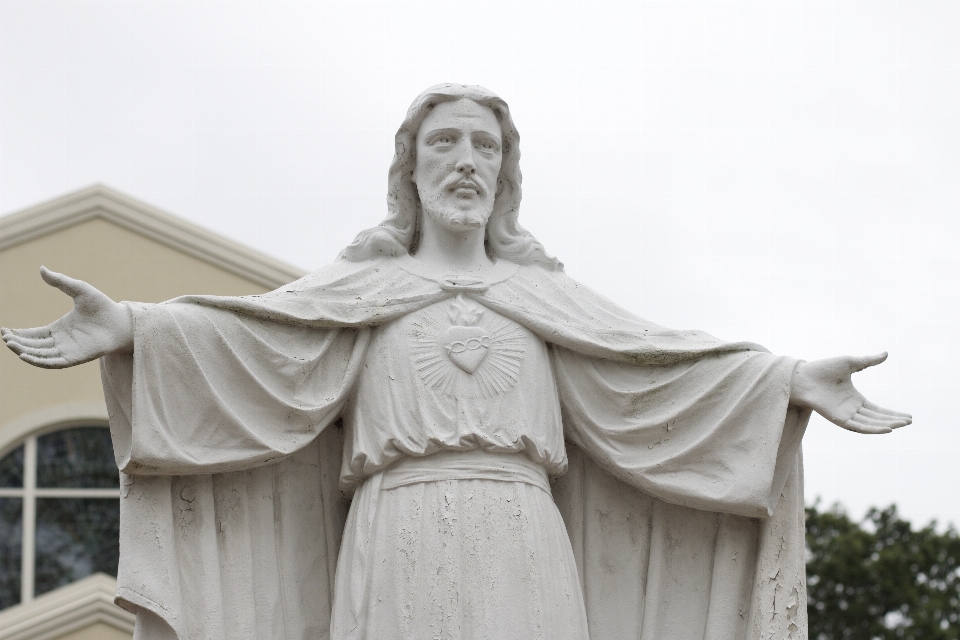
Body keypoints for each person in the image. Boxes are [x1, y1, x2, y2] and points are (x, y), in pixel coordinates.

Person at [2, 84, 910, 640]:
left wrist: (786, 382)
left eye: (486, 145)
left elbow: (659, 373)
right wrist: (130, 326)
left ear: (507, 174)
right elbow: (247, 344)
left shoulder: (548, 300)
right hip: (397, 529)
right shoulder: (357, 291)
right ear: (410, 170)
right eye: (446, 141)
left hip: (524, 537)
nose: (466, 160)